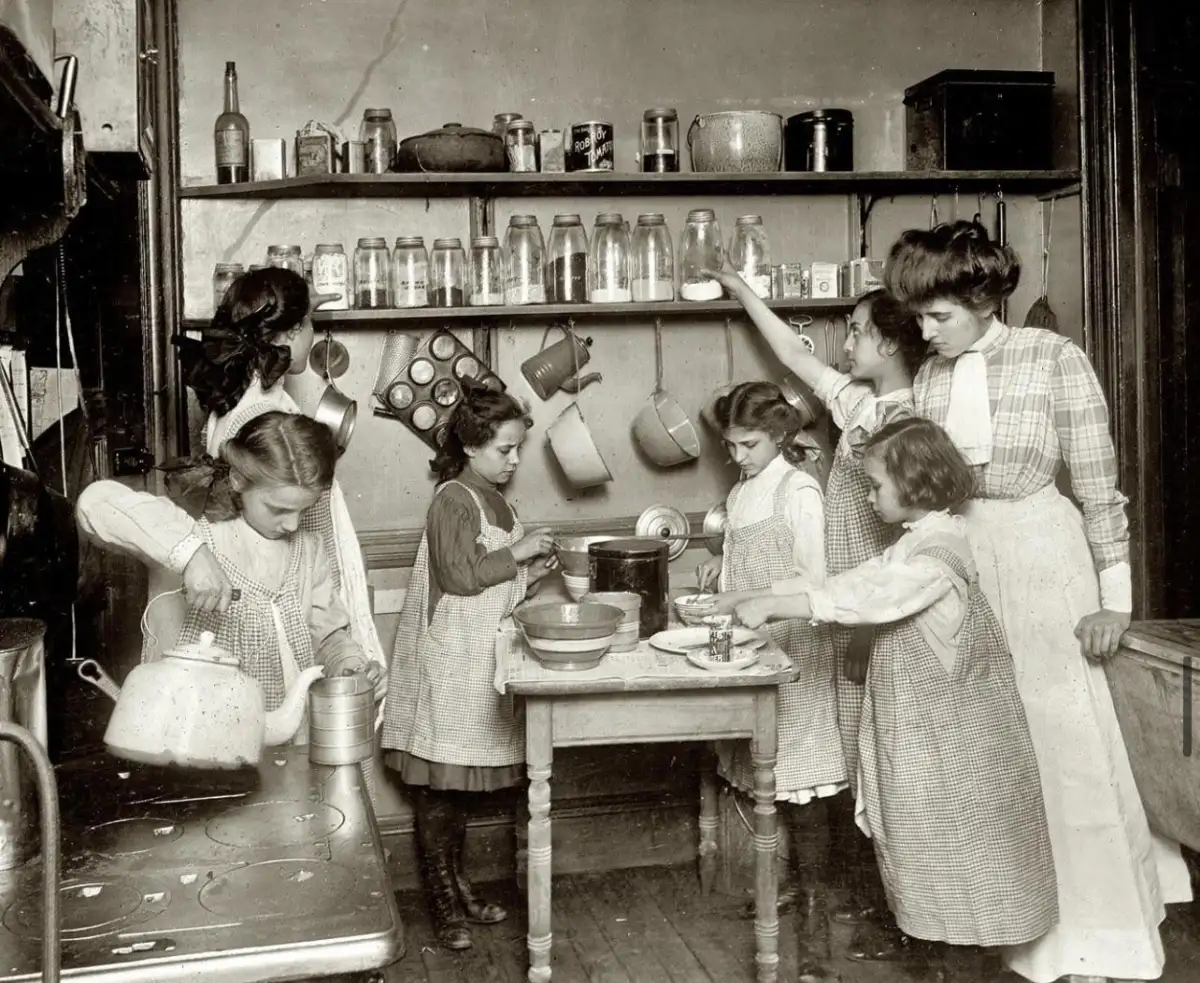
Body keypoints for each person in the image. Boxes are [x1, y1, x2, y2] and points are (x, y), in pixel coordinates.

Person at [885, 219, 1192, 983]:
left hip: (1047, 563)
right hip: (967, 562)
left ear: (984, 299)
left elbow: (1099, 490)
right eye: (919, 317)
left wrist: (1114, 603)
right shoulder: (929, 378)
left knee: (1064, 743)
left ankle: (1095, 938)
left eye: (938, 316)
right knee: (994, 747)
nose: (925, 331)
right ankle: (1010, 923)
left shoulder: (1054, 358)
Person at [736, 417, 1059, 973]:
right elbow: (853, 579)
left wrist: (774, 605)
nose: (868, 496)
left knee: (960, 856)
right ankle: (948, 955)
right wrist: (754, 594)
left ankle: (964, 963)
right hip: (924, 734)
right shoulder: (917, 542)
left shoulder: (936, 554)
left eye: (876, 486)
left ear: (916, 483)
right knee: (926, 851)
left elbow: (867, 596)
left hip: (952, 741)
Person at [707, 270, 926, 939]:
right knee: (847, 751)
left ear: (890, 342)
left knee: (873, 754)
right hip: (834, 601)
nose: (844, 341)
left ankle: (879, 907)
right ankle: (842, 901)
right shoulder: (856, 401)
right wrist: (739, 288)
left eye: (857, 330)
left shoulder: (920, 408)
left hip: (877, 593)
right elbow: (794, 356)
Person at [380, 382, 557, 951]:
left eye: (517, 448)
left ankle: (460, 889)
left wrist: (535, 562)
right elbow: (460, 576)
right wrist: (522, 552)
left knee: (457, 793)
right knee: (439, 791)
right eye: (505, 449)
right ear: (473, 445)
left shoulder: (496, 499)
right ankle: (442, 905)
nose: (514, 459)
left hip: (478, 660)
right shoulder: (453, 497)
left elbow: (495, 576)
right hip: (447, 664)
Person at [76, 411, 380, 721]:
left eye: (304, 510)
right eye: (278, 509)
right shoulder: (187, 531)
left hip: (282, 738)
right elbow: (93, 503)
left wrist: (349, 665)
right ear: (237, 480)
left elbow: (327, 637)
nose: (291, 524)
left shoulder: (309, 552)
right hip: (189, 734)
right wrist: (192, 555)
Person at [695, 381, 845, 983]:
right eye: (731, 445)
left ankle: (815, 934)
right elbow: (739, 565)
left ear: (781, 436)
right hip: (754, 650)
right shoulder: (740, 491)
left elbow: (816, 583)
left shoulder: (799, 489)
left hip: (798, 651)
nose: (738, 457)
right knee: (763, 777)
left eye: (749, 444)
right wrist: (720, 574)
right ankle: (779, 894)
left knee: (803, 787)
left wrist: (739, 595)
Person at [174, 266, 385, 676]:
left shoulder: (241, 399)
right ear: (289, 333)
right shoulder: (265, 414)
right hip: (284, 589)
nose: (311, 335)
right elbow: (307, 529)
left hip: (296, 583)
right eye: (309, 324)